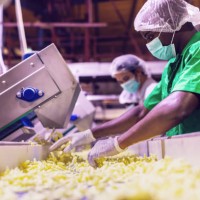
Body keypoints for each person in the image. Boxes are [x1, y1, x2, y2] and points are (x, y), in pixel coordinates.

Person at [50, 0, 200, 168]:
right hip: (188, 155)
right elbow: (142, 112)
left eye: (150, 36)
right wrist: (90, 134)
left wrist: (118, 143)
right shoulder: (173, 65)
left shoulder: (198, 50)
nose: (150, 45)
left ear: (173, 25)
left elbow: (178, 107)